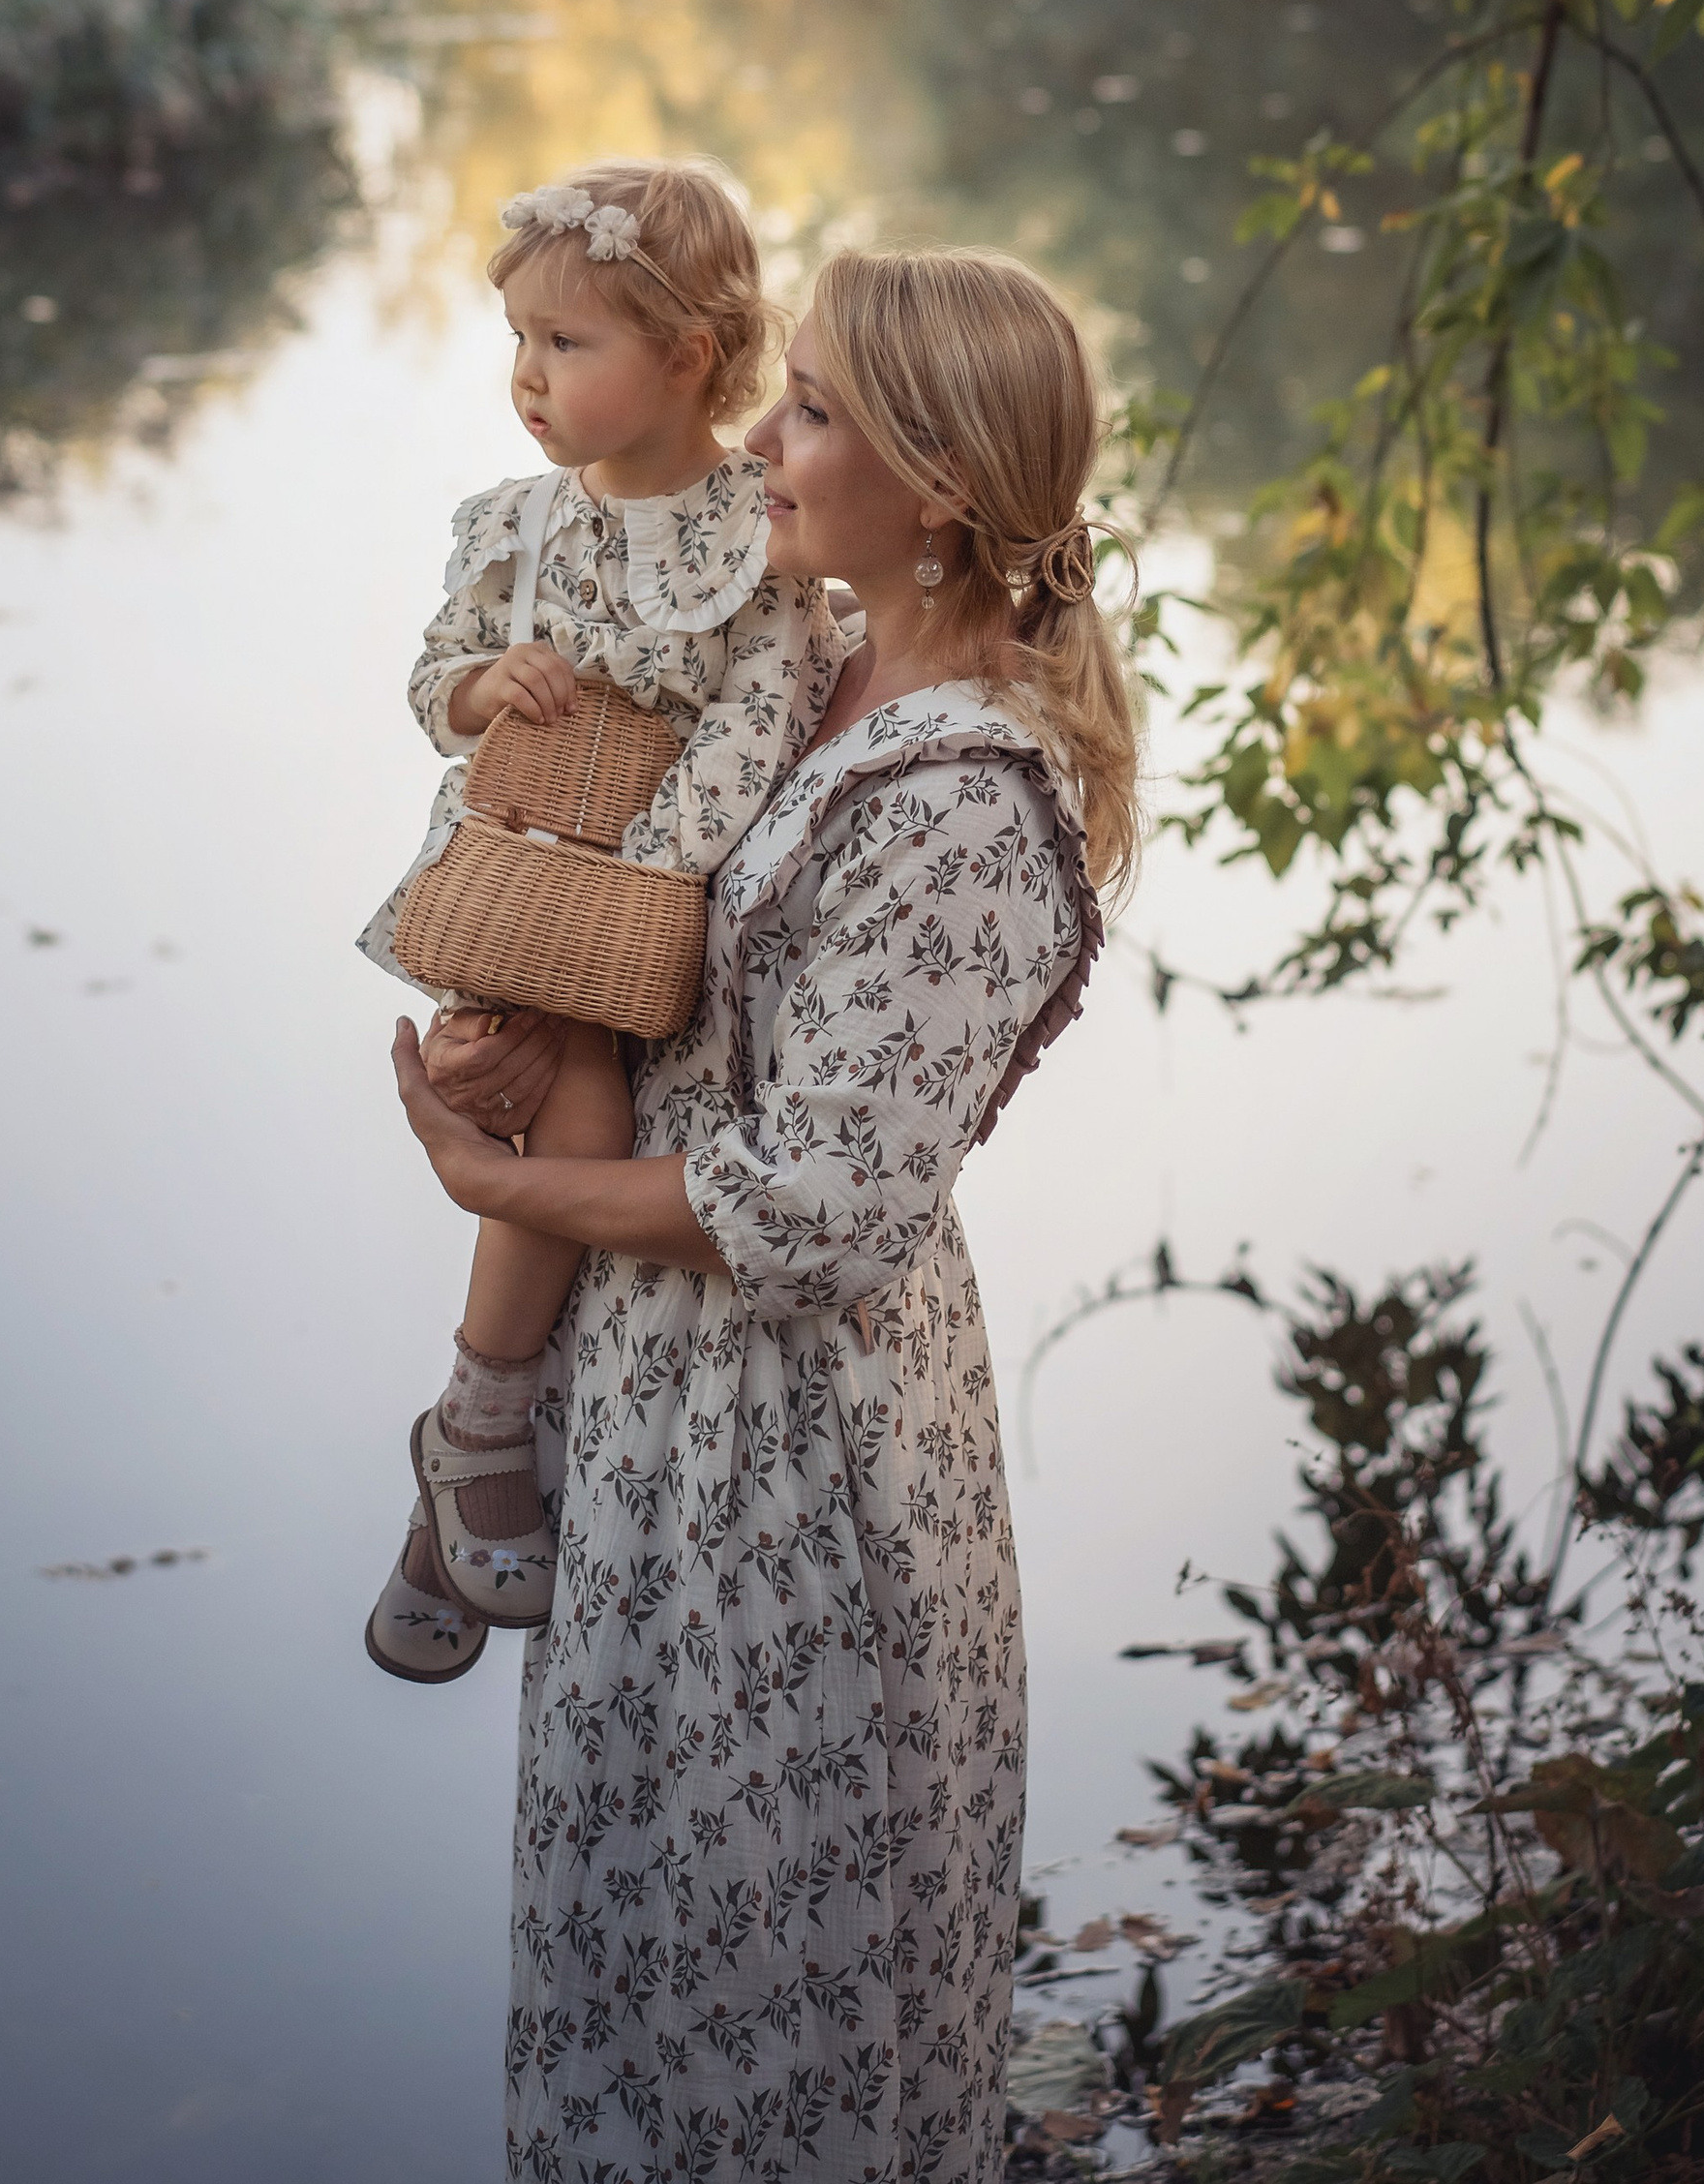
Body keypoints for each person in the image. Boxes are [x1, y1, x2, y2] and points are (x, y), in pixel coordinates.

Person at [391, 245, 1140, 2184]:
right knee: (627, 1958)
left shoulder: (969, 794)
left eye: (807, 408)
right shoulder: (808, 664)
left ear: (942, 484)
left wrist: (503, 1182)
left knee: (771, 2024)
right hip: (653, 1410)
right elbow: (668, 973)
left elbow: (812, 1202)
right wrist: (526, 1042)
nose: (762, 441)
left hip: (805, 1467)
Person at [357, 162, 843, 1681]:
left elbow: (751, 734)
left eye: (567, 343)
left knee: (574, 1104)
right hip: (507, 876)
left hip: (633, 899)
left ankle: (468, 1453)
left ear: (689, 355)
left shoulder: (757, 544)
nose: (526, 377)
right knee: (558, 1098)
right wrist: (482, 690)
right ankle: (482, 1421)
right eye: (519, 340)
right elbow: (435, 680)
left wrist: (629, 893)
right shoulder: (520, 526)